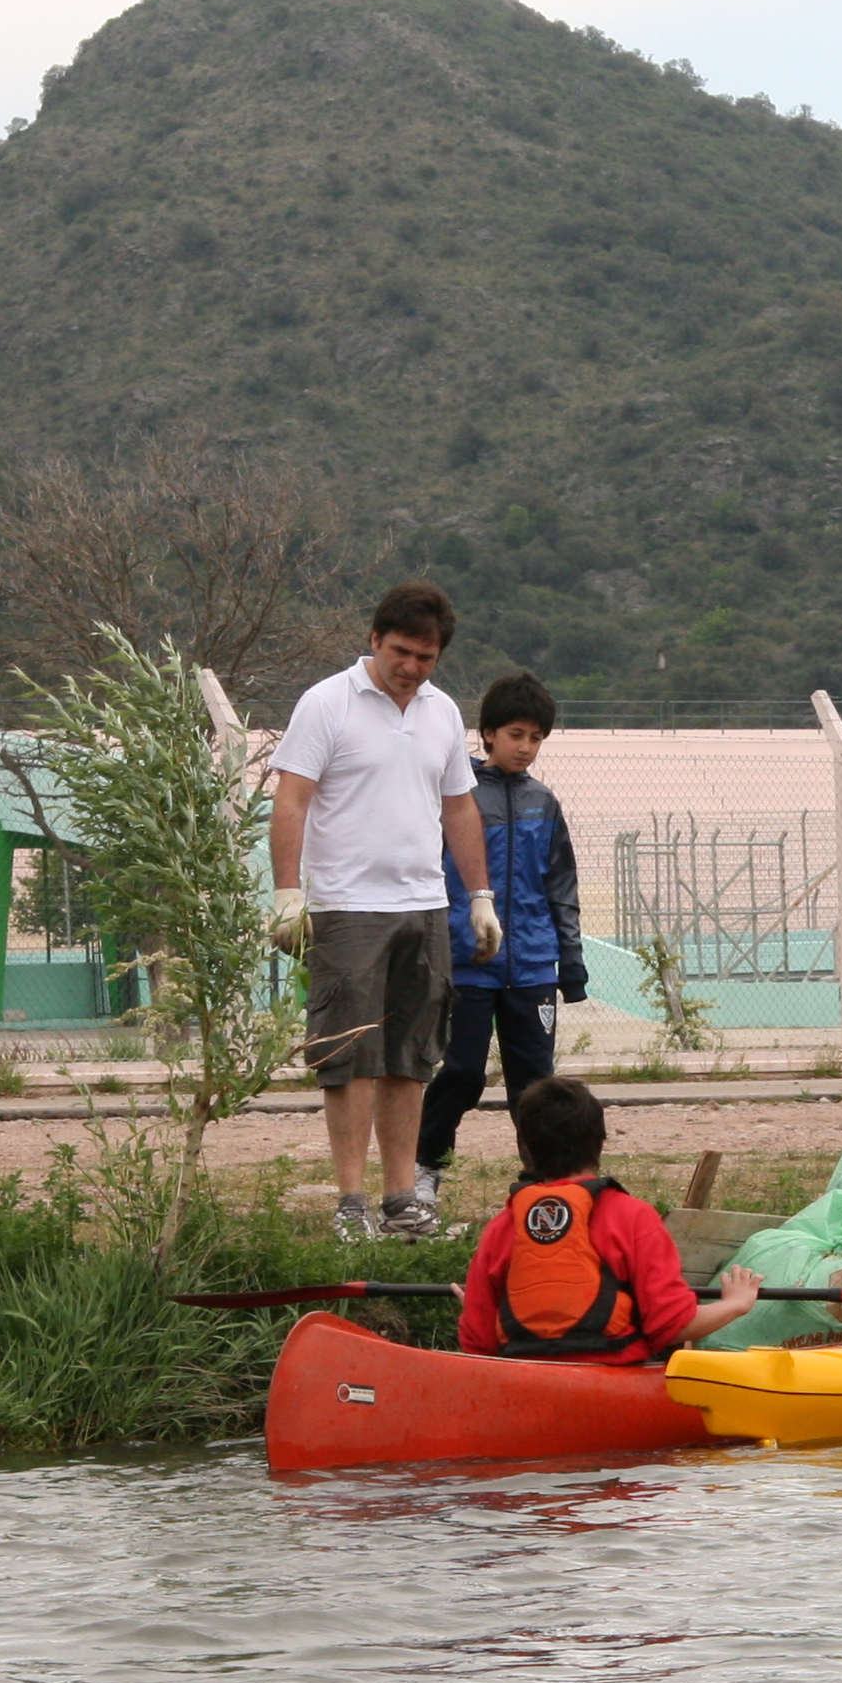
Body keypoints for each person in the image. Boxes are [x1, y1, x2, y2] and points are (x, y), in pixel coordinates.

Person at [271, 582, 497, 1244]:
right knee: (349, 1057)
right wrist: (289, 891)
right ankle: (350, 1205)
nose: (411, 667)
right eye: (401, 651)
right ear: (375, 640)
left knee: (410, 1058)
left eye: (425, 658)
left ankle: (405, 1202)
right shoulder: (327, 704)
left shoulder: (441, 714)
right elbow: (292, 799)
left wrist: (478, 896)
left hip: (423, 906)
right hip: (346, 906)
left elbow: (459, 806)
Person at [409, 671, 586, 1226]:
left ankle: (541, 1183)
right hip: (467, 963)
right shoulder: (457, 797)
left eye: (536, 738)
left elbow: (561, 883)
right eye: (515, 734)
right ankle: (425, 1172)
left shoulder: (543, 801)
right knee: (459, 1071)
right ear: (486, 732)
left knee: (535, 1083)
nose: (525, 747)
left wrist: (570, 957)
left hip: (533, 965)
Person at [457, 1077, 761, 1360]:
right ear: (600, 1142)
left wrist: (482, 1310)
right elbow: (673, 1326)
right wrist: (735, 1304)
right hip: (613, 1391)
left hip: (525, 1389)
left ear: (525, 1149)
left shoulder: (502, 1227)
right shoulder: (632, 1216)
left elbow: (478, 1343)